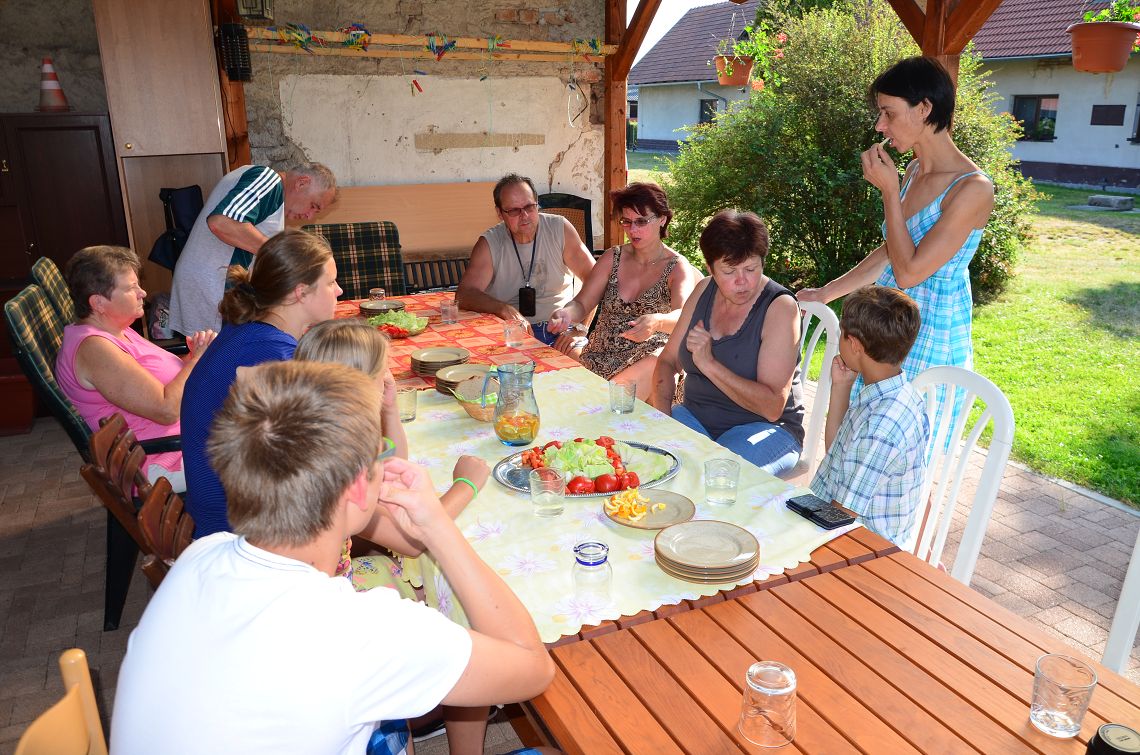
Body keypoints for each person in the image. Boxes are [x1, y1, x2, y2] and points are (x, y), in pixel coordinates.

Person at [110, 360, 555, 754]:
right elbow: (533, 669)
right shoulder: (364, 633)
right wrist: (436, 525)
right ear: (359, 487)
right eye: (380, 453)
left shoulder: (199, 557)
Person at [294, 318, 496, 755]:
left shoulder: (316, 435)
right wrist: (468, 484)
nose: (391, 376)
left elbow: (391, 468)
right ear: (360, 383)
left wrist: (387, 410)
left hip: (322, 590)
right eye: (384, 370)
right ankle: (454, 692)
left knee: (431, 574)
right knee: (455, 586)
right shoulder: (343, 464)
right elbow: (413, 537)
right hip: (338, 614)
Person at [798, 56, 994, 431]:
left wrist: (889, 192)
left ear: (924, 108)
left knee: (908, 447)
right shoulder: (915, 170)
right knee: (867, 436)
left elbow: (908, 272)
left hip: (930, 332)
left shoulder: (973, 189)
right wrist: (826, 292)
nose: (880, 125)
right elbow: (892, 250)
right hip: (887, 325)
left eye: (888, 112)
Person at [180, 228, 341, 538]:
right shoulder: (270, 354)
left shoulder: (250, 329)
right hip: (238, 526)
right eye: (331, 282)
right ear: (300, 293)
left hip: (226, 502)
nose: (339, 291)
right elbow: (306, 459)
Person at [650, 210, 805, 476]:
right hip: (695, 419)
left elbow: (772, 407)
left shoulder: (780, 308)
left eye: (751, 269)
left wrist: (709, 364)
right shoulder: (703, 290)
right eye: (729, 271)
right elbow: (667, 361)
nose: (742, 281)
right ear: (710, 268)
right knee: (648, 461)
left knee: (714, 475)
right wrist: (663, 417)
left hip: (765, 430)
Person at [55, 246, 215, 491]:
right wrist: (196, 361)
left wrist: (191, 358)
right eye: (131, 288)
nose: (143, 293)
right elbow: (166, 410)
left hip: (184, 439)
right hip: (160, 460)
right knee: (268, 455)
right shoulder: (95, 350)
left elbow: (153, 382)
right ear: (98, 302)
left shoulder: (117, 329)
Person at [547, 182, 701, 399]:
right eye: (626, 222)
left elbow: (683, 316)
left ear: (662, 219)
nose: (633, 230)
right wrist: (566, 313)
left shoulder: (676, 266)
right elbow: (582, 303)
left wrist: (657, 321)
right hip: (600, 355)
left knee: (652, 365)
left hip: (646, 358)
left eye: (641, 221)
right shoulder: (613, 257)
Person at [810, 286, 930, 550]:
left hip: (861, 546)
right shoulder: (889, 393)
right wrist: (841, 387)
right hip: (844, 525)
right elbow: (838, 455)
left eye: (841, 333)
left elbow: (841, 514)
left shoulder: (882, 423)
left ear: (854, 344)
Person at [170, 162, 337, 335]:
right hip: (212, 288)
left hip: (208, 285)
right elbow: (221, 222)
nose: (309, 216)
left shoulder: (262, 184)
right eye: (313, 206)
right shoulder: (268, 180)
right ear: (302, 183)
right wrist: (280, 252)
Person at [456, 173, 595, 347]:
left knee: (578, 362)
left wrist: (581, 328)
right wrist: (503, 309)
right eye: (514, 210)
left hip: (560, 330)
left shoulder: (560, 229)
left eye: (529, 206)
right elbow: (465, 294)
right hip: (511, 333)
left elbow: (596, 279)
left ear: (537, 203)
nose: (524, 215)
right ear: (499, 213)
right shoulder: (490, 243)